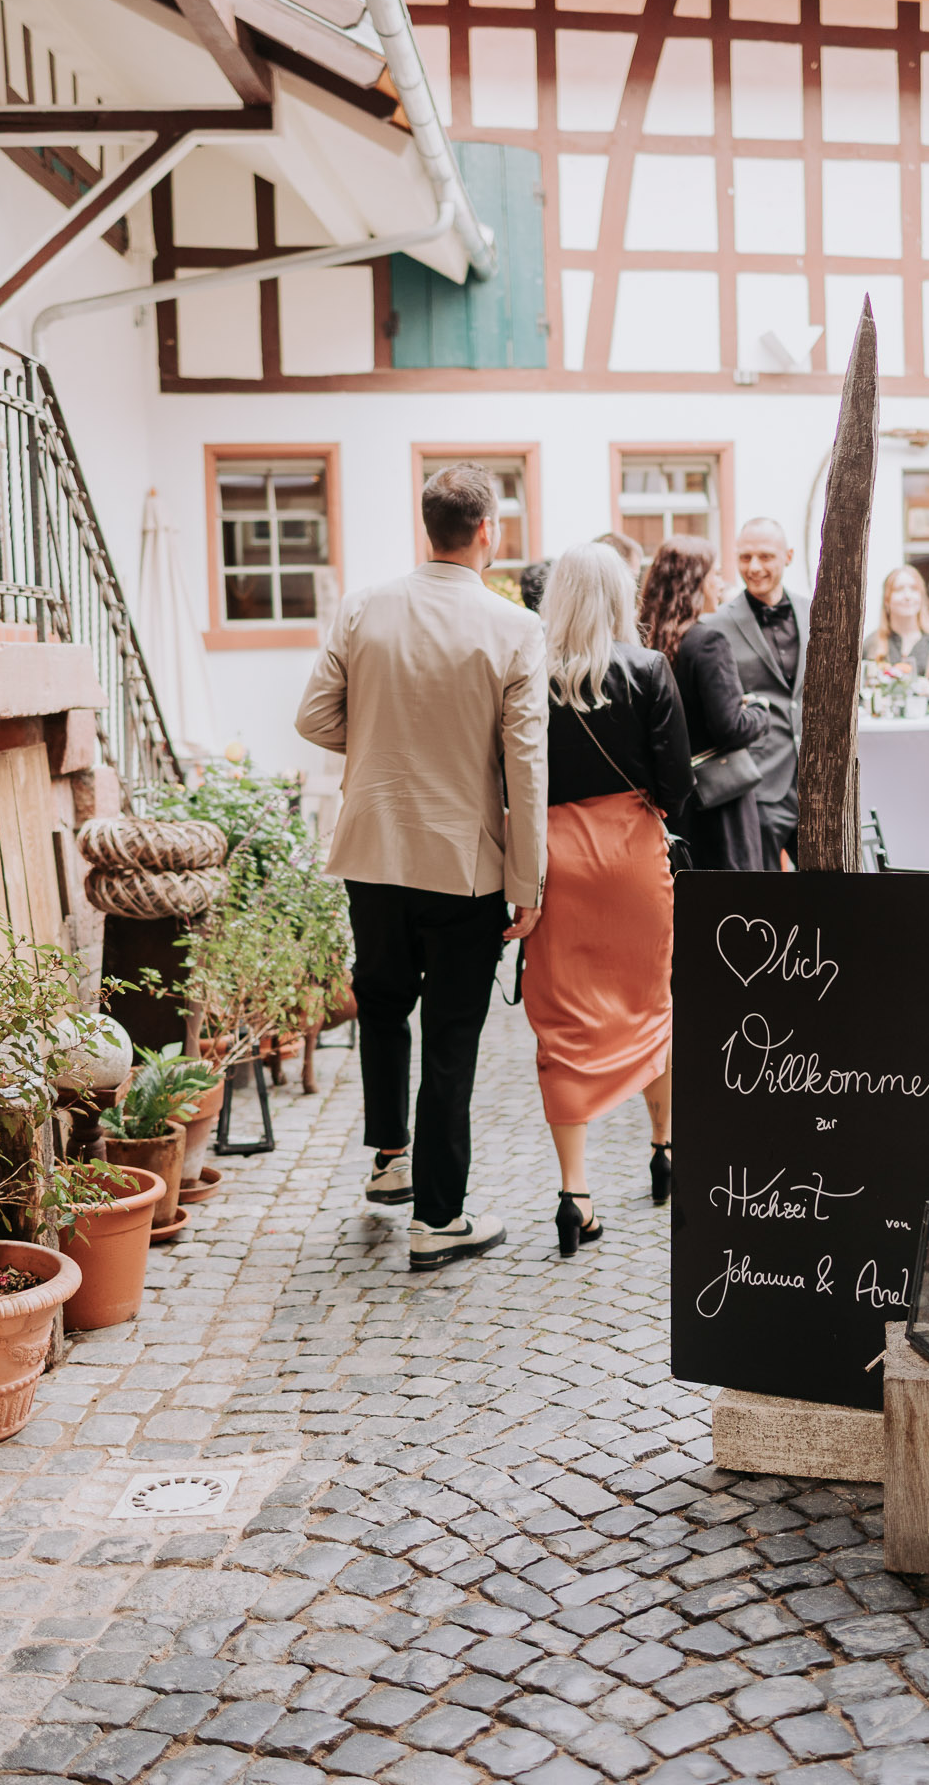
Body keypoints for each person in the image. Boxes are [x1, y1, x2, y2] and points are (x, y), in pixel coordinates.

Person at [295, 462, 548, 1271]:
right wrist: (528, 884)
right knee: (450, 1035)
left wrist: (377, 748)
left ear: (427, 527)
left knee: (380, 1001)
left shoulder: (365, 606)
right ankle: (439, 1219)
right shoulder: (513, 629)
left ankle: (388, 1159)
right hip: (462, 863)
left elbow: (312, 717)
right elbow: (526, 771)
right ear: (487, 533)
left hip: (373, 848)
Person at [521, 544, 692, 1254]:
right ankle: (664, 1150)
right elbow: (677, 782)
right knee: (652, 1003)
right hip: (631, 855)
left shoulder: (527, 675)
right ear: (621, 596)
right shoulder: (647, 669)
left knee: (561, 1025)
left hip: (554, 861)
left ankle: (574, 1192)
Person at [640, 535, 769, 871]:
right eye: (714, 575)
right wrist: (759, 710)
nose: (720, 584)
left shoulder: (644, 641)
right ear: (694, 584)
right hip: (720, 807)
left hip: (670, 806)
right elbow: (731, 727)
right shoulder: (707, 642)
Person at [705, 518, 810, 870]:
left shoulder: (815, 613)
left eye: (766, 557)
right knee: (765, 901)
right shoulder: (715, 625)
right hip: (759, 784)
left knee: (831, 895)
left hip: (817, 780)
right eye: (745, 557)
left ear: (789, 556)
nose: (754, 567)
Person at [862, 565, 929, 685]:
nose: (907, 596)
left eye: (914, 589)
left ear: (921, 597)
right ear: (887, 600)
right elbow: (859, 691)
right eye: (899, 589)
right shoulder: (872, 644)